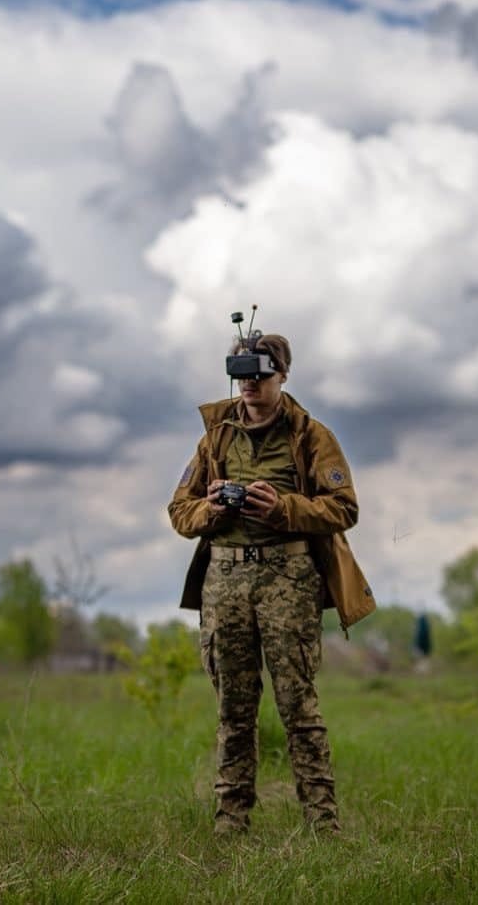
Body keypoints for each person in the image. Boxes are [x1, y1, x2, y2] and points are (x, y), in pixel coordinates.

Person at [168, 330, 375, 835]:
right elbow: (179, 509)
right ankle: (230, 824)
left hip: (289, 578)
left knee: (298, 707)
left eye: (260, 375)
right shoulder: (215, 437)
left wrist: (283, 508)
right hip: (225, 580)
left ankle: (323, 825)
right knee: (233, 711)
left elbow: (344, 507)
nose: (250, 386)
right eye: (241, 376)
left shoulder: (311, 435)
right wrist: (211, 509)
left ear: (282, 375)